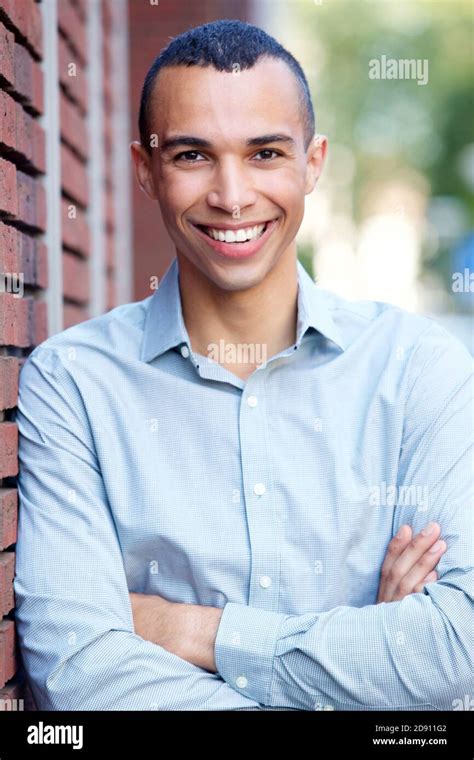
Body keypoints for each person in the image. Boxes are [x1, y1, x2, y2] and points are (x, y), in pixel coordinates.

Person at [14, 20, 472, 711]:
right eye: (194, 156)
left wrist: (189, 629)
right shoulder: (73, 384)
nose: (232, 196)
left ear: (313, 163)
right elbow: (80, 672)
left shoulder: (417, 370)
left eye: (264, 153)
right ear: (145, 169)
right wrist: (365, 667)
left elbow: (454, 650)